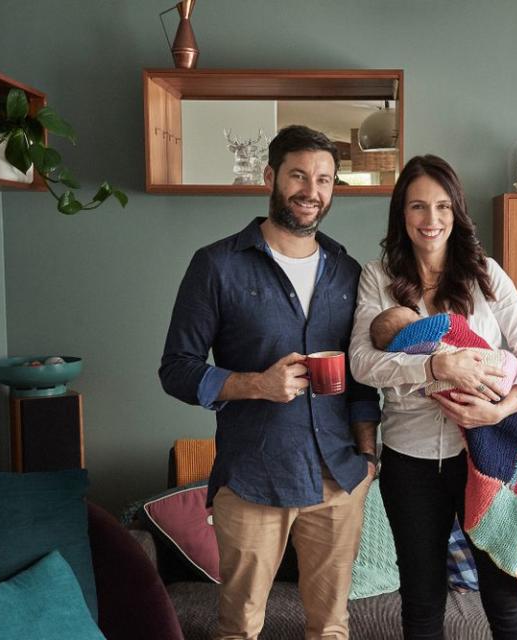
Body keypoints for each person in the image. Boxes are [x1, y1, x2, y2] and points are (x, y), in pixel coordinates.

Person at [159, 125, 380, 640]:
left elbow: (363, 378)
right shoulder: (216, 265)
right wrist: (254, 384)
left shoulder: (348, 272)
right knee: (239, 626)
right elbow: (176, 367)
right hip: (253, 475)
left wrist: (368, 459)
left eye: (324, 179)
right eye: (299, 175)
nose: (311, 190)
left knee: (330, 627)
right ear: (270, 177)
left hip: (339, 476)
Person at [350, 154, 517, 639]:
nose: (431, 220)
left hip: (483, 460)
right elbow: (362, 363)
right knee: (421, 606)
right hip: (410, 464)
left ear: (456, 211)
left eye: (442, 207)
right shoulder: (377, 277)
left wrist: (500, 408)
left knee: (506, 605)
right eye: (419, 207)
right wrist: (434, 364)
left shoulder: (485, 275)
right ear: (402, 213)